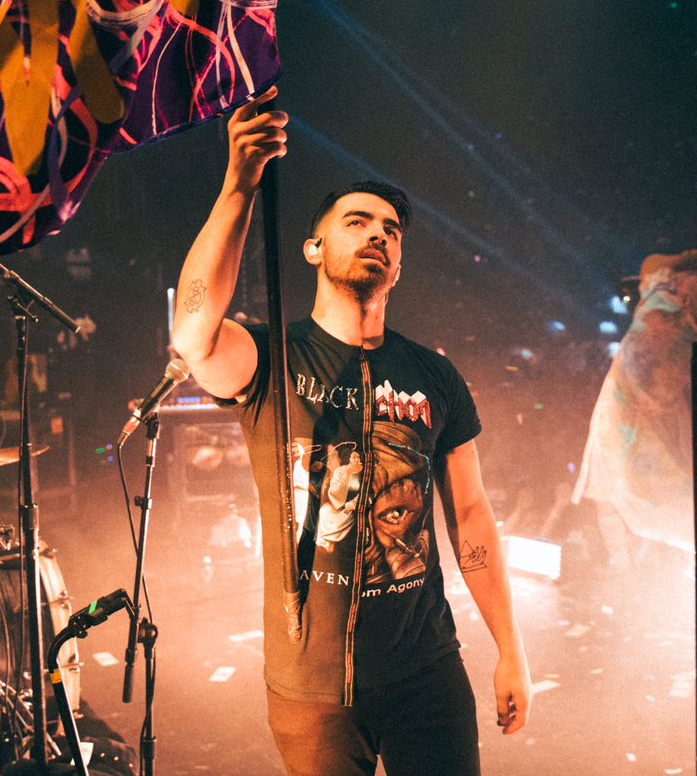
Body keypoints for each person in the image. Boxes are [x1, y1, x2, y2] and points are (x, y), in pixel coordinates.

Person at [171, 86, 531, 776]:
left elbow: (472, 515)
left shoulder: (434, 375)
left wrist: (510, 649)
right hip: (312, 689)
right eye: (358, 221)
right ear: (313, 248)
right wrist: (239, 185)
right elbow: (192, 335)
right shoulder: (272, 358)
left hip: (428, 671)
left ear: (399, 263)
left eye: (391, 230)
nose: (378, 234)